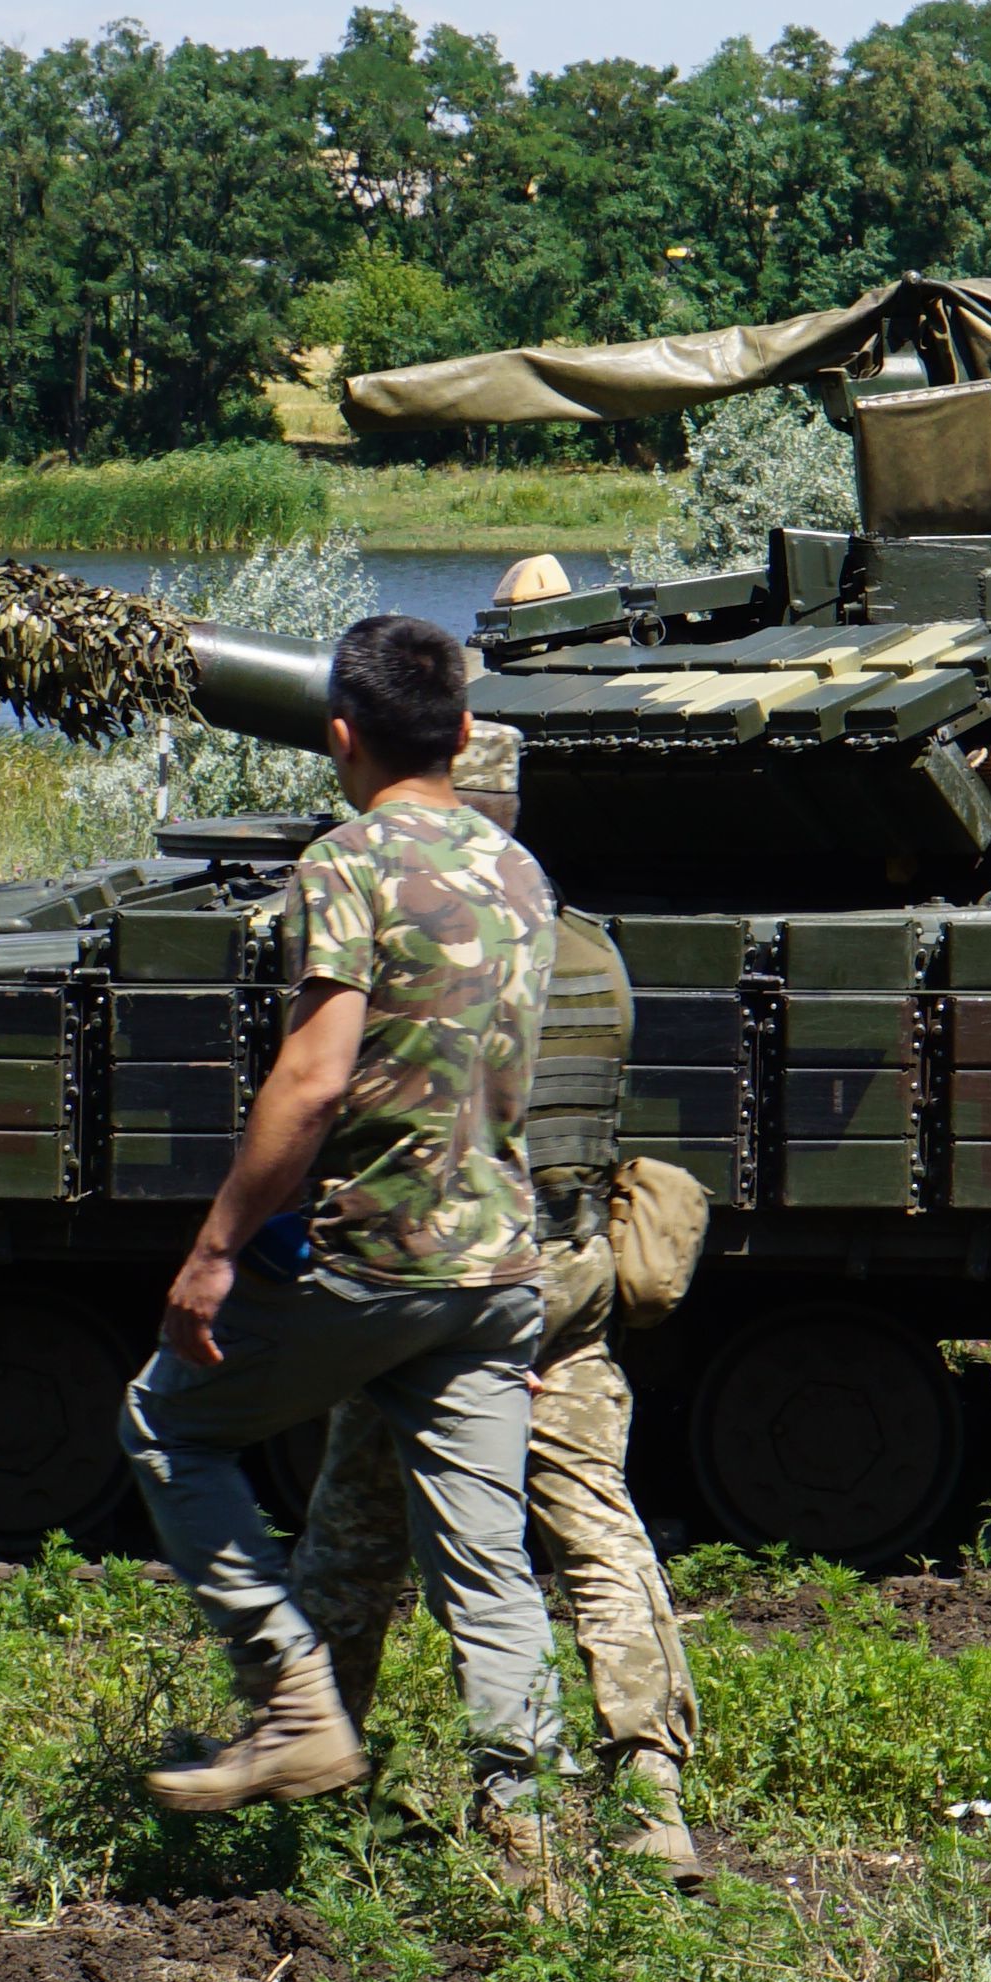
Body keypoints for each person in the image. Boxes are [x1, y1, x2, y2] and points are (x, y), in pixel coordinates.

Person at [116, 615, 567, 1856]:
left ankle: (292, 1703)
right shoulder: (522, 872)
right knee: (487, 1563)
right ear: (465, 731)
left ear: (338, 738)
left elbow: (313, 1081)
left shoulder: (348, 862)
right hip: (496, 1271)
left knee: (164, 1426)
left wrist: (213, 1250)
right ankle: (531, 1841)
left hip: (374, 1259)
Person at [290, 715, 710, 1877]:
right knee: (593, 1524)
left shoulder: (439, 950)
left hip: (454, 1270)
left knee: (357, 1528)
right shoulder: (591, 953)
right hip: (573, 1269)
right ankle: (650, 1789)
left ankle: (322, 1769)